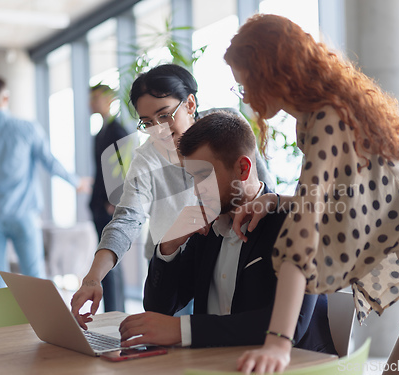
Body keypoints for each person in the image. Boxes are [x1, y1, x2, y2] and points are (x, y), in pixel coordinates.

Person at [224, 14, 399, 375]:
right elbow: (352, 202)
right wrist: (277, 201)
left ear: (269, 71)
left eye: (244, 85)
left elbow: (304, 233)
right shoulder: (329, 114)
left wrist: (278, 341)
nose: (245, 97)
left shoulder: (328, 118)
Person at [71, 64, 274, 323]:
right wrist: (92, 278)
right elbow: (126, 220)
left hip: (226, 244)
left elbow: (259, 184)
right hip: (171, 257)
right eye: (147, 122)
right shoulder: (147, 158)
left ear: (190, 104)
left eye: (165, 115)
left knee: (218, 326)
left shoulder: (226, 127)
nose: (159, 131)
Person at [117, 111, 335, 351]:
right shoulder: (207, 228)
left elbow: (292, 324)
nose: (197, 191)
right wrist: (169, 246)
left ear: (242, 168)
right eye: (192, 179)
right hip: (214, 365)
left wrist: (183, 330)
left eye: (203, 176)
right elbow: (159, 310)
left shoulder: (293, 221)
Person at [0, 76, 89, 289]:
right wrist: (76, 182)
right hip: (23, 215)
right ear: (6, 97)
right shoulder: (26, 128)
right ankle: (44, 322)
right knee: (35, 279)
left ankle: (4, 323)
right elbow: (50, 162)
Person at [88, 84, 131, 312]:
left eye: (95, 98)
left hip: (110, 206)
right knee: (103, 260)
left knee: (111, 260)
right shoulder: (99, 134)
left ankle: (115, 312)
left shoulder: (118, 131)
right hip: (97, 205)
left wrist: (116, 199)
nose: (91, 103)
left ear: (109, 99)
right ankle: (111, 310)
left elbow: (125, 168)